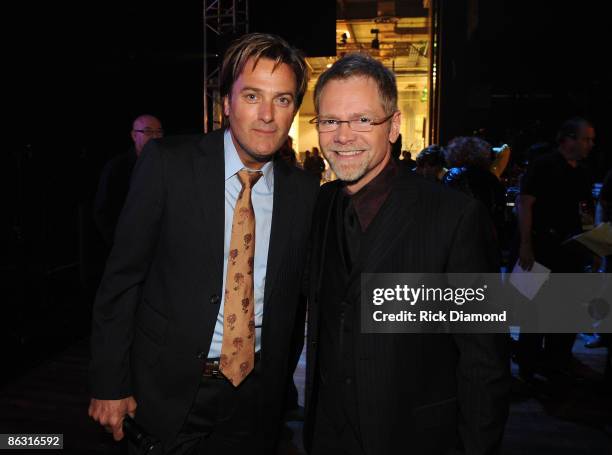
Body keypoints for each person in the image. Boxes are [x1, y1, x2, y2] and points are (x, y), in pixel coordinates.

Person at [88, 33, 319, 454]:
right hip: (165, 391)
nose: (267, 115)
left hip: (257, 401)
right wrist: (109, 383)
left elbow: (301, 295)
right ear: (226, 103)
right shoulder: (167, 166)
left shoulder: (305, 191)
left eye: (283, 100)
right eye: (252, 95)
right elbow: (121, 281)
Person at [304, 53, 510, 455]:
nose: (343, 136)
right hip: (329, 436)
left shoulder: (455, 217)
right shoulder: (322, 205)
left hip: (415, 438)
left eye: (363, 119)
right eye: (330, 121)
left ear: (394, 126)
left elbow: (484, 361)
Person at [516, 117, 595, 381]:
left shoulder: (582, 171)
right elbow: (525, 204)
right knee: (534, 310)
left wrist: (591, 241)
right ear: (568, 139)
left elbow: (584, 210)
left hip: (570, 248)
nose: (589, 145)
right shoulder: (545, 166)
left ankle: (556, 361)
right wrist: (526, 245)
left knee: (566, 309)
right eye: (585, 139)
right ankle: (529, 365)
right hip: (543, 245)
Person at [94, 114, 163, 247]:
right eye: (148, 132)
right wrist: (119, 245)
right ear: (134, 136)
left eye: (159, 132)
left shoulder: (165, 165)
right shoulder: (117, 168)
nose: (155, 137)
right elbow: (103, 212)